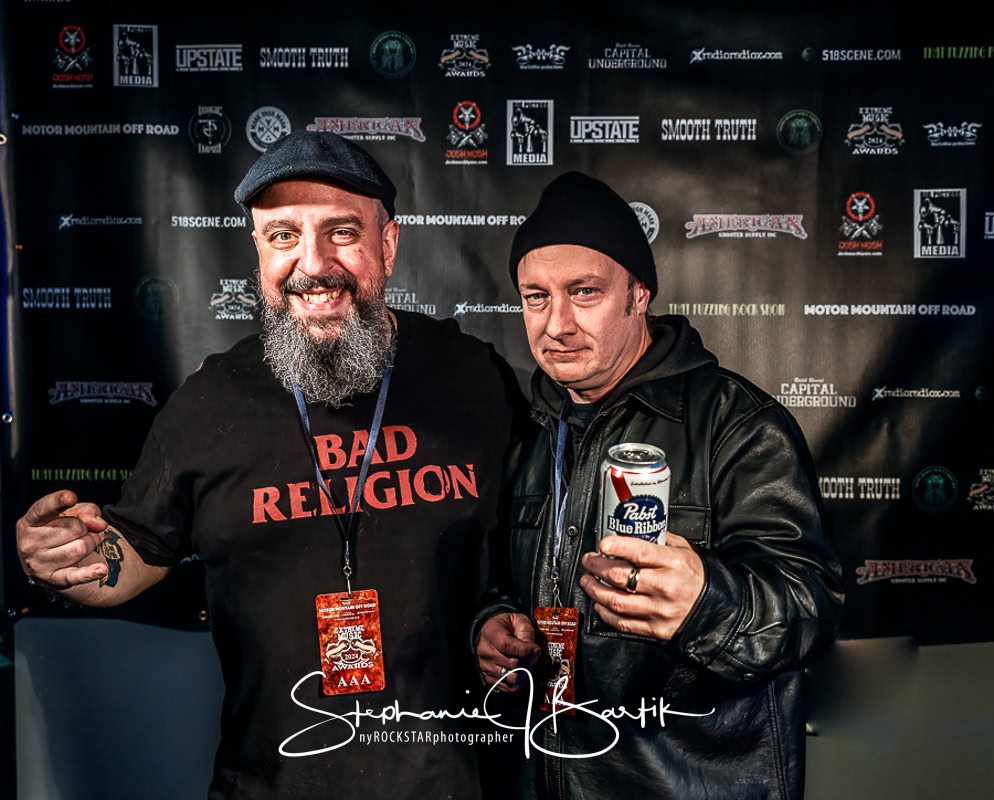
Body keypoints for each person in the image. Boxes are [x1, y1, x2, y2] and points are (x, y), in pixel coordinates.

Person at [16, 130, 525, 800]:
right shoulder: (210, 402)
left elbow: (529, 538)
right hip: (270, 782)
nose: (313, 263)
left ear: (388, 245)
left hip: (454, 782)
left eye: (341, 232)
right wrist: (64, 559)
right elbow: (136, 550)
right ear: (259, 251)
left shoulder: (472, 376)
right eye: (284, 235)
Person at [474, 172, 844, 800]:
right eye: (536, 297)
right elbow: (497, 579)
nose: (557, 324)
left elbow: (811, 608)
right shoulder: (525, 427)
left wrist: (705, 604)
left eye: (584, 292)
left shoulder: (736, 424)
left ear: (638, 295)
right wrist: (490, 626)